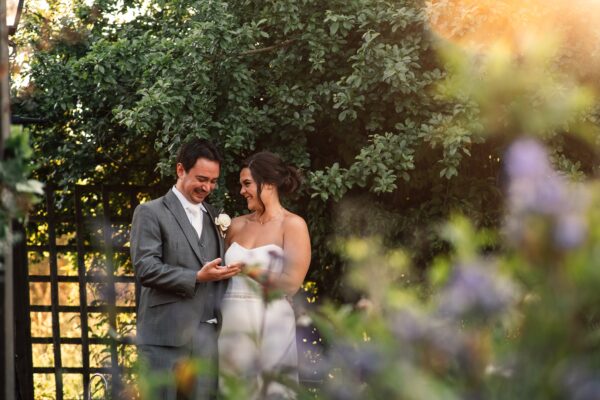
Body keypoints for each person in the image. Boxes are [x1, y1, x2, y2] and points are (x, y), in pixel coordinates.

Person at [130, 138, 242, 400]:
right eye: (202, 178)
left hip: (206, 342)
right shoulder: (150, 212)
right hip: (163, 341)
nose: (207, 187)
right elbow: (146, 268)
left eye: (213, 181)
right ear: (181, 170)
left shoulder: (215, 216)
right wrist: (196, 277)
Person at [218, 151, 311, 399]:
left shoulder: (293, 225)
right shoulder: (235, 225)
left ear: (268, 184)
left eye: (247, 184)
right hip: (232, 322)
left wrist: (251, 270)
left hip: (271, 322)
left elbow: (290, 284)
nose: (242, 191)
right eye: (241, 185)